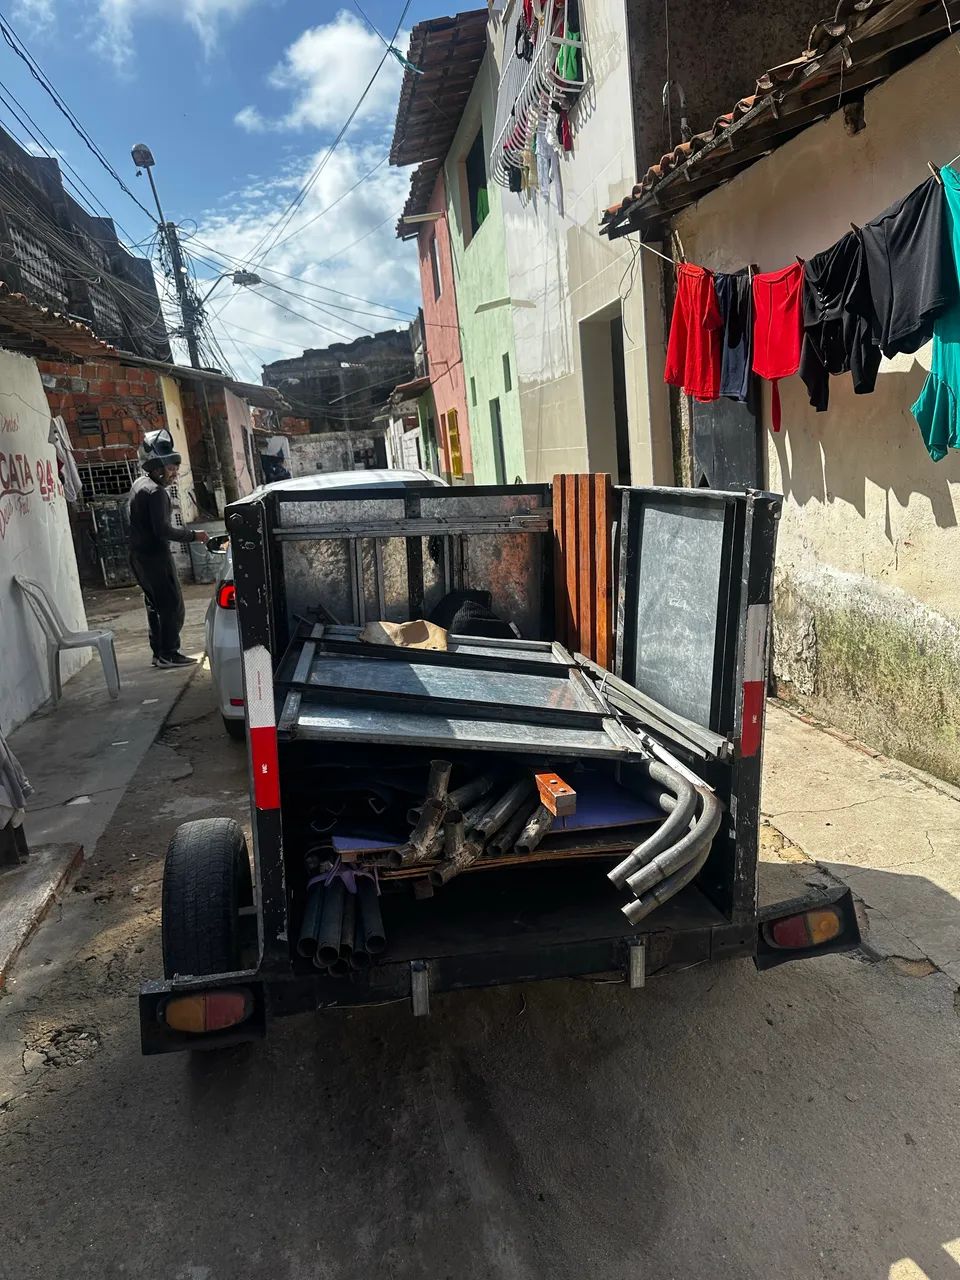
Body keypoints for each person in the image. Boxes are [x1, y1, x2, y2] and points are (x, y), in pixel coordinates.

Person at [128, 429, 209, 668]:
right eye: (171, 468)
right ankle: (169, 653)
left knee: (155, 605)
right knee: (172, 605)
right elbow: (163, 530)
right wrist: (194, 536)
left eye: (175, 468)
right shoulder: (156, 492)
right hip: (154, 556)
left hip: (138, 555)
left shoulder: (139, 484)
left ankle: (159, 653)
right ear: (157, 468)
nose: (174, 474)